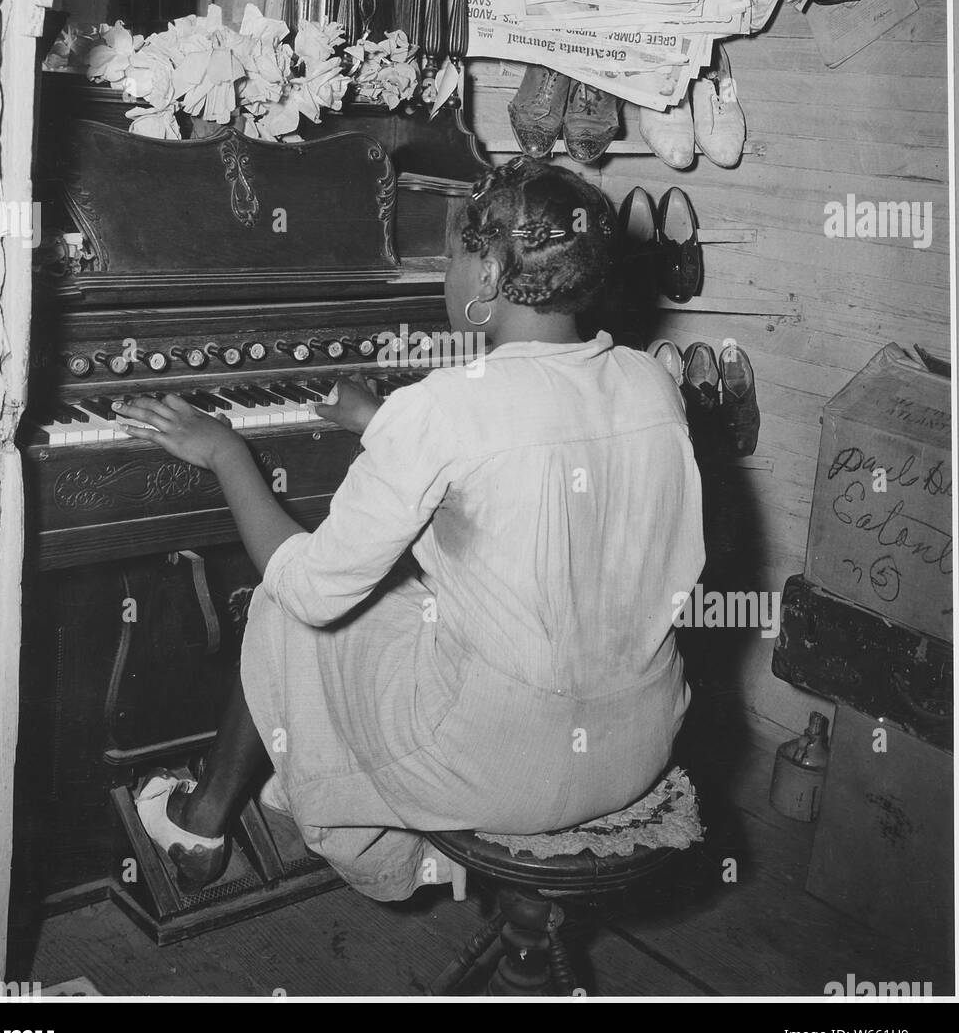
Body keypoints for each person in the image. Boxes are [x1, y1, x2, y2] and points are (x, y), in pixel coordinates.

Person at [114, 155, 704, 901]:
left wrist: (227, 453)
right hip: (641, 741)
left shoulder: (449, 405)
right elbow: (530, 445)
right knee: (406, 605)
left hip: (498, 767)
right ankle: (296, 785)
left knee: (284, 603)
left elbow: (310, 589)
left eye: (455, 253)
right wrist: (380, 421)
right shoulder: (652, 384)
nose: (446, 274)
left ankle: (211, 822)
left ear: (489, 275)